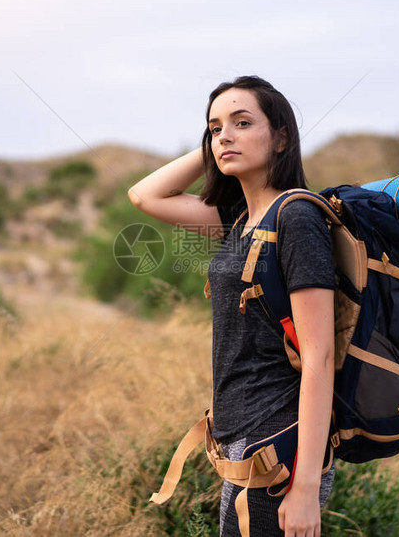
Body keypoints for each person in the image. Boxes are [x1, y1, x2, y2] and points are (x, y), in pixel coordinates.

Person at [129, 75, 335, 537]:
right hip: (242, 436)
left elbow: (320, 355)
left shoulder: (296, 217)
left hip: (279, 443)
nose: (225, 135)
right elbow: (145, 195)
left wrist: (304, 488)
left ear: (281, 136)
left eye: (243, 123)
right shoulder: (241, 219)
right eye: (214, 127)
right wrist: (218, 147)